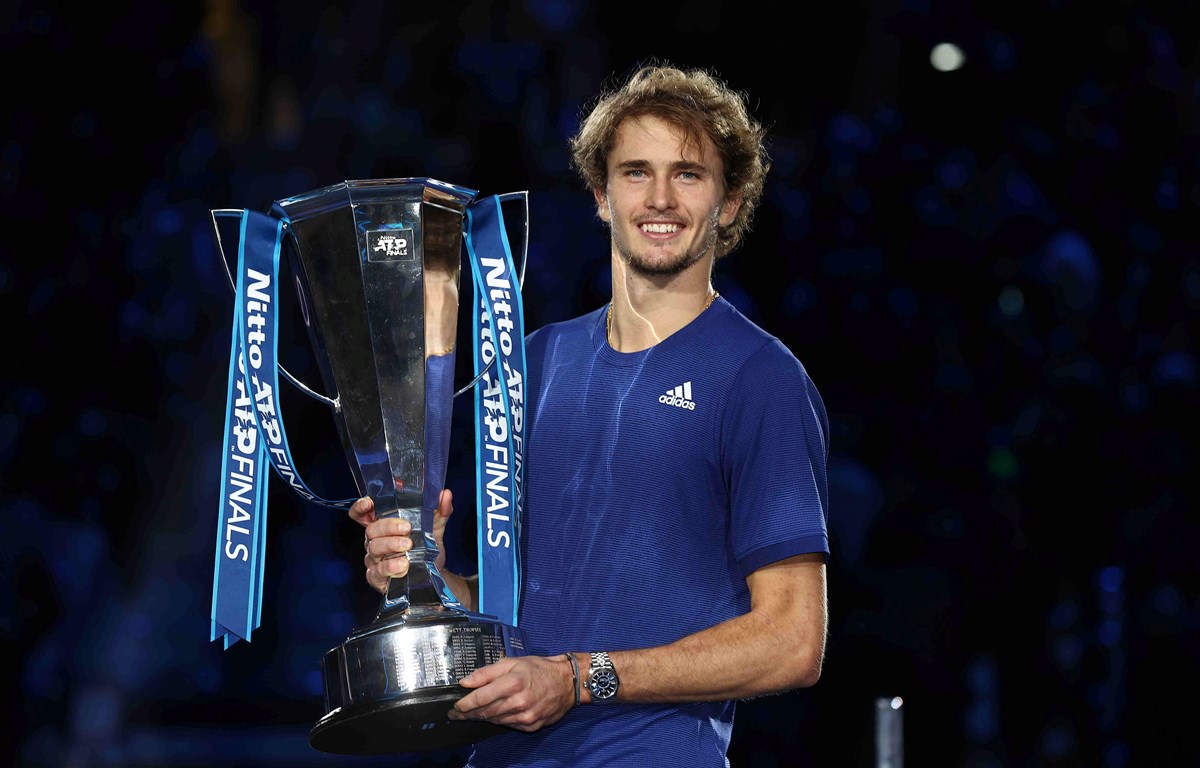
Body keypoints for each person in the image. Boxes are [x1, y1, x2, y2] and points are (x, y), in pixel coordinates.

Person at [351, 62, 831, 767]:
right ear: (601, 196)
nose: (659, 198)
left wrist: (580, 679)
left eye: (689, 174)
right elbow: (532, 606)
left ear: (729, 203)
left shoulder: (760, 378)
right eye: (636, 172)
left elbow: (793, 640)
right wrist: (426, 579)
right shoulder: (535, 362)